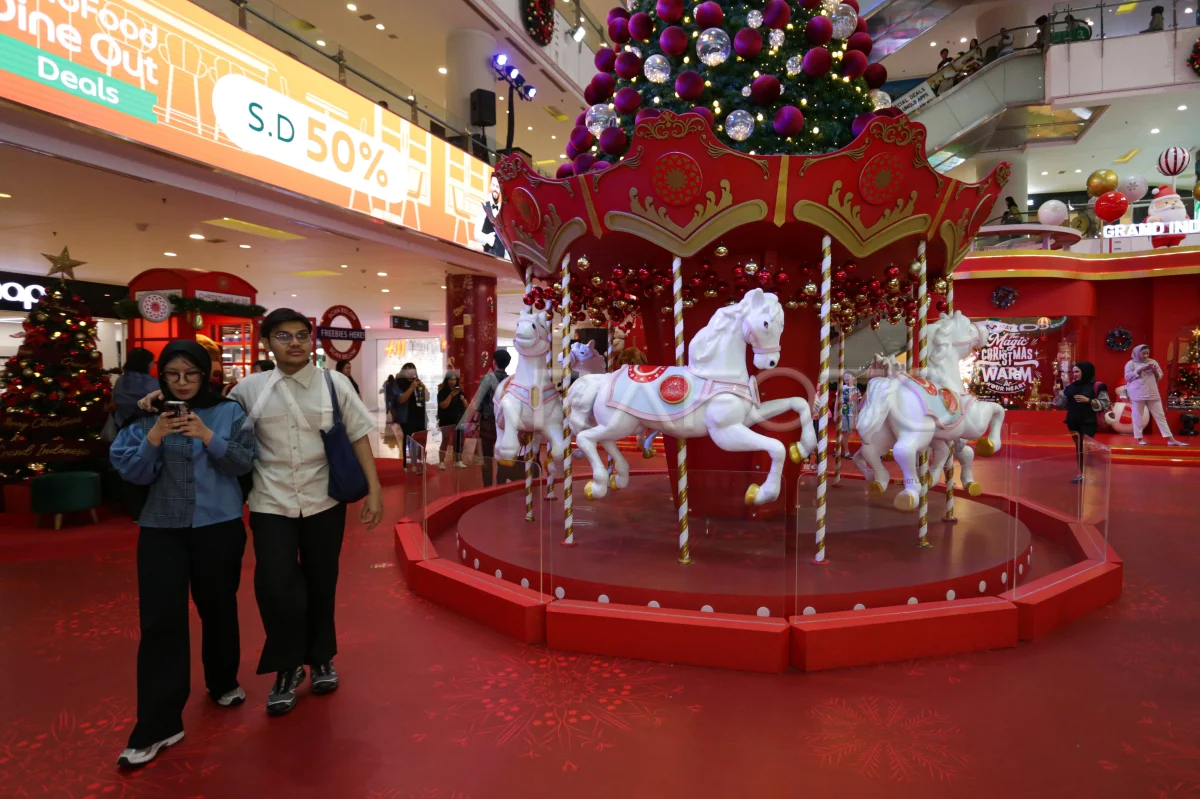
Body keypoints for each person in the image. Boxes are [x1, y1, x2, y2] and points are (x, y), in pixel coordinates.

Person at [110, 341, 255, 768]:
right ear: (161, 376)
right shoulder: (144, 416)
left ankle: (222, 680)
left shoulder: (228, 412)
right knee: (161, 623)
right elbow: (130, 471)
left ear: (205, 374)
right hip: (161, 530)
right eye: (173, 374)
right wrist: (154, 438)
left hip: (218, 525)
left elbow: (244, 462)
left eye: (191, 374)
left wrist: (206, 436)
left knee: (218, 607)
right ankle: (158, 723)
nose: (182, 383)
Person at [1053, 361, 1111, 482]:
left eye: (1077, 372)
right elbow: (1061, 404)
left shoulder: (1097, 386)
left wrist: (1088, 400)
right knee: (1079, 449)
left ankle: (1089, 474)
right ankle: (1083, 473)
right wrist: (1056, 393)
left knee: (1086, 448)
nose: (1074, 374)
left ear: (1085, 372)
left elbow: (1105, 403)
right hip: (1073, 422)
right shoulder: (1070, 387)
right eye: (1073, 372)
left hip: (1088, 421)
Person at [462, 350, 511, 488]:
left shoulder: (487, 378)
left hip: (488, 422)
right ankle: (501, 484)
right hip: (504, 423)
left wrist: (474, 421)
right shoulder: (510, 380)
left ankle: (488, 486)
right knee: (502, 453)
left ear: (494, 362)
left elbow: (480, 402)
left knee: (487, 456)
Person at [1124, 344, 1187, 446]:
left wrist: (1154, 371)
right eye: (1143, 353)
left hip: (1152, 392)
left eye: (1147, 353)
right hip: (1137, 393)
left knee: (1160, 416)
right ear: (1137, 353)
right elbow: (1127, 377)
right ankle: (1140, 439)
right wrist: (1140, 369)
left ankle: (1170, 439)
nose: (1146, 355)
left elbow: (1159, 377)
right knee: (1137, 417)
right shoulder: (1130, 363)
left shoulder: (1153, 362)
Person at [391, 363, 428, 472]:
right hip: (407, 416)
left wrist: (422, 386)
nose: (411, 375)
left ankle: (419, 463)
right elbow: (401, 399)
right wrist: (412, 387)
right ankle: (408, 464)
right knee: (409, 439)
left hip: (420, 415)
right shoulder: (398, 384)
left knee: (421, 439)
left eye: (413, 373)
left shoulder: (417, 383)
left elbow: (427, 397)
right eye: (408, 373)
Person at [113, 348, 159, 427]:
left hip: (121, 424)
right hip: (145, 427)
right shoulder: (154, 383)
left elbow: (114, 401)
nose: (153, 364)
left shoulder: (119, 380)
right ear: (147, 363)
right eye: (152, 361)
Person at [437, 370, 469, 470]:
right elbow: (443, 406)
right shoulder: (442, 392)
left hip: (458, 420)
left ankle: (458, 461)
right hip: (446, 421)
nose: (453, 382)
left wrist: (463, 399)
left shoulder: (460, 392)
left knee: (459, 441)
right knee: (445, 440)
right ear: (447, 380)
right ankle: (441, 462)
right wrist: (451, 395)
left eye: (454, 380)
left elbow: (466, 406)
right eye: (450, 379)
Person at [838, 372, 860, 457]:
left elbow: (857, 403)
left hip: (852, 413)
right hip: (843, 413)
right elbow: (837, 401)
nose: (846, 378)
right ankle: (846, 452)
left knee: (848, 432)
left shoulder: (856, 389)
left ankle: (837, 448)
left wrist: (857, 414)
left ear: (853, 378)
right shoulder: (842, 388)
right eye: (845, 376)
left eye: (848, 376)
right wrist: (836, 413)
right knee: (845, 433)